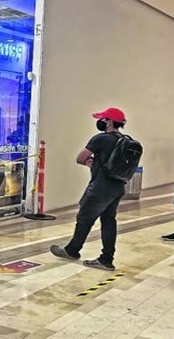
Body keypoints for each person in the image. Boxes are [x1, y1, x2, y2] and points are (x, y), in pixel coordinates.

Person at [50, 107, 128, 271]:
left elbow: (80, 157)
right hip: (117, 187)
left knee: (84, 219)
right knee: (109, 221)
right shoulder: (126, 140)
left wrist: (89, 162)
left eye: (102, 119)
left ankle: (72, 251)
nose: (99, 122)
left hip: (100, 188)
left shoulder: (101, 138)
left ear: (109, 122)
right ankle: (107, 259)